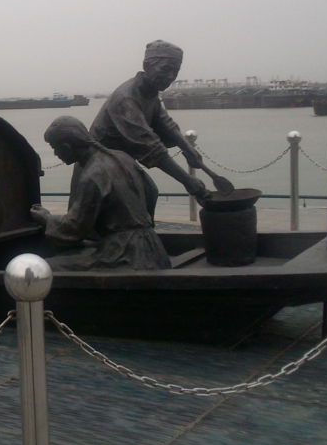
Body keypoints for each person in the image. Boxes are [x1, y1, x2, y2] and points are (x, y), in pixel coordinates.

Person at [29, 116, 170, 271]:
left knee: (48, 266)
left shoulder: (93, 174)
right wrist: (142, 226)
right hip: (153, 249)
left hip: (125, 256)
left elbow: (75, 228)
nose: (56, 154)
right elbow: (152, 191)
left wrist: (47, 218)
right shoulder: (122, 157)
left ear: (67, 147)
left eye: (55, 148)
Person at [90, 39, 209, 205]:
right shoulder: (126, 98)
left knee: (148, 192)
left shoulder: (150, 92)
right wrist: (187, 181)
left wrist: (187, 148)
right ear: (146, 66)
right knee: (141, 197)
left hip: (122, 162)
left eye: (175, 71)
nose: (170, 77)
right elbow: (149, 146)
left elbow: (165, 123)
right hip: (99, 167)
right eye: (165, 69)